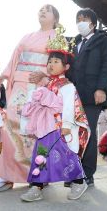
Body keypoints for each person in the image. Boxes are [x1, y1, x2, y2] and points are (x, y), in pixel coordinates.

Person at [0, 4, 60, 193]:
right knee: (10, 126)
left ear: (55, 18)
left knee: (36, 130)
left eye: (48, 10)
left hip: (39, 87)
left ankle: (38, 175)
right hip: (20, 84)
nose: (43, 11)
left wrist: (44, 74)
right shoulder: (27, 36)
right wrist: (3, 76)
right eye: (41, 9)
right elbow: (14, 58)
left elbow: (59, 63)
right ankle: (6, 175)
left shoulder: (57, 37)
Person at [19, 29, 90, 201]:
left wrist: (66, 125)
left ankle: (79, 182)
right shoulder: (47, 84)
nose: (51, 64)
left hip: (59, 128)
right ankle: (37, 187)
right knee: (41, 155)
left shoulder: (67, 86)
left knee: (66, 157)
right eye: (49, 61)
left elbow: (70, 107)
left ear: (66, 67)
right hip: (45, 128)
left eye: (56, 61)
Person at [66, 8, 107, 186]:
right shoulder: (73, 43)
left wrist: (102, 88)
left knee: (88, 132)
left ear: (93, 22)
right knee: (70, 132)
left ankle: (87, 173)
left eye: (85, 18)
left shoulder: (103, 40)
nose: (81, 21)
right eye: (78, 18)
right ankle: (73, 170)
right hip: (72, 95)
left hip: (92, 94)